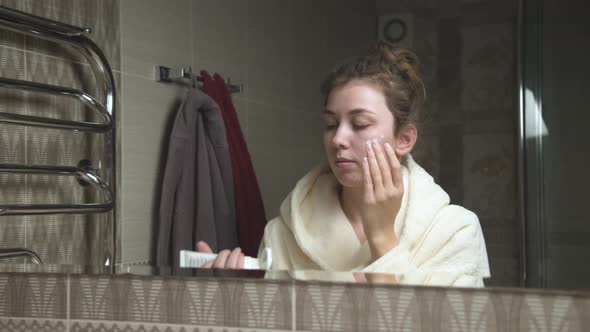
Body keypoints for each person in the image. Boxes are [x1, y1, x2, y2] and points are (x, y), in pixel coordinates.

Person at [196, 42, 490, 287]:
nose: (338, 139)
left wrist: (382, 238)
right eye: (330, 124)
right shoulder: (283, 233)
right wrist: (233, 296)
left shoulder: (455, 231)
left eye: (360, 124)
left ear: (404, 138)